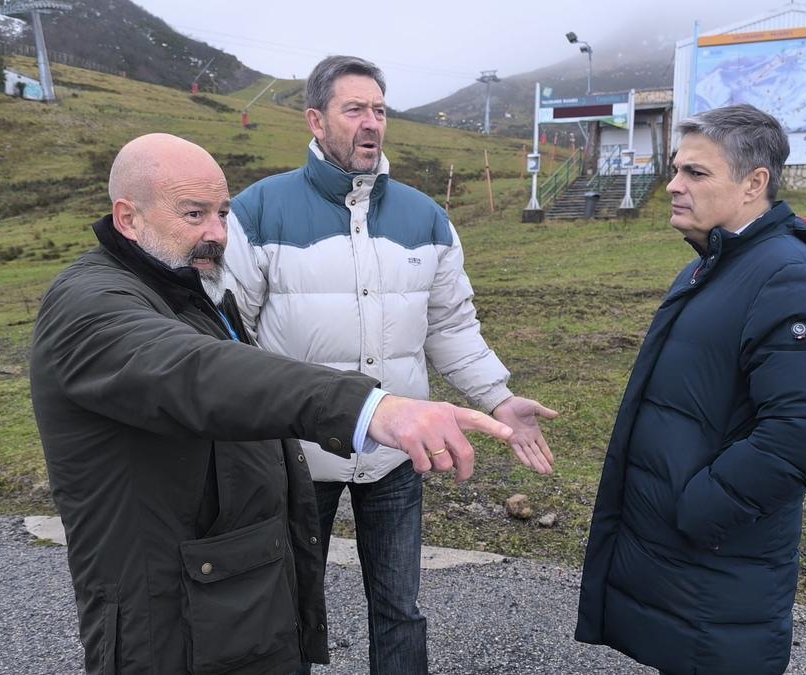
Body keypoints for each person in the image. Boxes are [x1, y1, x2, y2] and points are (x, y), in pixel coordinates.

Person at [29, 133, 514, 675]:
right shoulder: (90, 306)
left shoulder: (189, 284)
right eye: (194, 214)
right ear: (127, 218)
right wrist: (371, 408)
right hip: (169, 617)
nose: (217, 234)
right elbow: (196, 373)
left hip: (232, 590)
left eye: (222, 212)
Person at [222, 55, 558, 674]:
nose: (371, 122)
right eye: (354, 109)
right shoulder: (257, 211)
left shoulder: (426, 217)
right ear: (315, 120)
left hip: (398, 453)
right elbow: (228, 332)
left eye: (379, 110)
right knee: (287, 605)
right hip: (297, 454)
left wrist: (499, 397)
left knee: (400, 607)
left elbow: (451, 327)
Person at [575, 104, 806, 675]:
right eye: (675, 170)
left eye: (695, 173)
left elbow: (803, 434)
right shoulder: (717, 263)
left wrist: (698, 509)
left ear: (754, 184)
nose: (672, 186)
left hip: (716, 553)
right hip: (686, 555)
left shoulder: (790, 276)